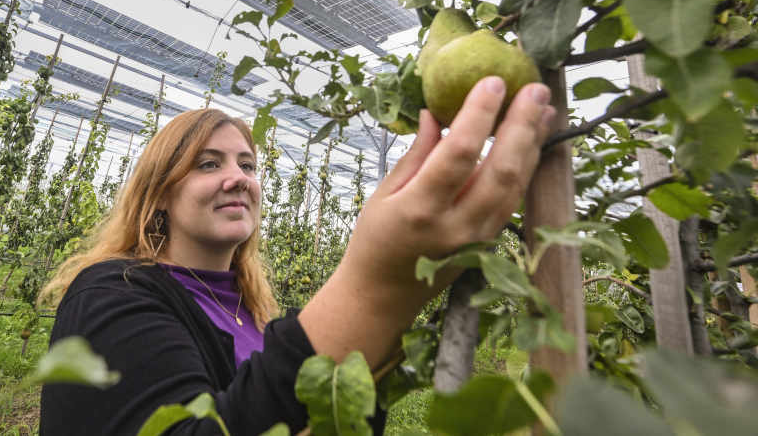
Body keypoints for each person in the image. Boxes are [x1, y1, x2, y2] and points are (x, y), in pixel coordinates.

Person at [39, 75, 555, 435]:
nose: (238, 178)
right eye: (208, 164)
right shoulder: (111, 294)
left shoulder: (256, 312)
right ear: (159, 194)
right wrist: (379, 286)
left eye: (247, 164)